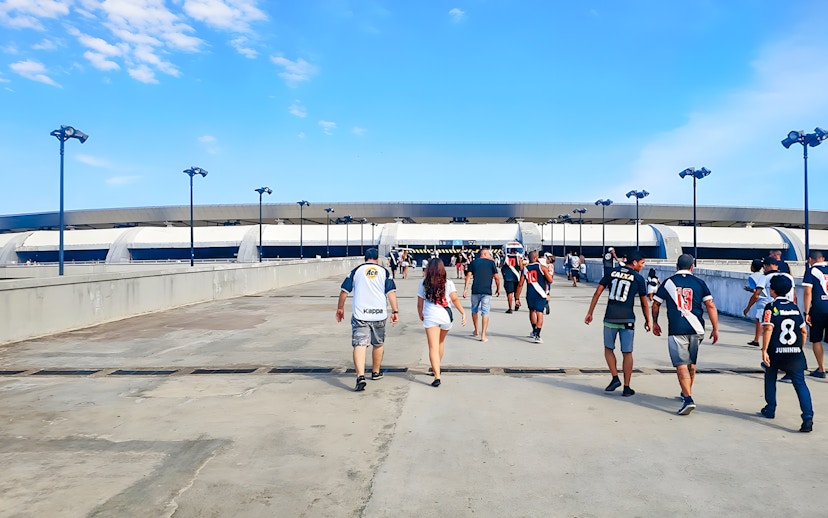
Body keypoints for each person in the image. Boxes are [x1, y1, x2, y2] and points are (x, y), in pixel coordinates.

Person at [652, 254, 720, 415]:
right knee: (691, 363)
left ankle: (688, 399)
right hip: (697, 329)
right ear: (692, 267)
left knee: (681, 365)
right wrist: (715, 328)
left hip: (677, 328)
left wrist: (655, 322)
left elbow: (655, 304)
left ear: (676, 266)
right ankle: (686, 391)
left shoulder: (668, 282)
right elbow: (710, 305)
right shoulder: (699, 283)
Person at [585, 251, 651, 396]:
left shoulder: (611, 272)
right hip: (628, 318)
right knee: (627, 353)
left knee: (609, 349)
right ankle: (627, 387)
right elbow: (644, 303)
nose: (643, 266)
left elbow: (597, 292)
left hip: (610, 318)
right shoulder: (638, 278)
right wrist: (648, 320)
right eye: (642, 263)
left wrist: (590, 312)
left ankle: (615, 377)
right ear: (634, 263)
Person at [336, 248, 400, 392]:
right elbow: (391, 293)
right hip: (379, 314)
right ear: (377, 258)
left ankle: (360, 376)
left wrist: (340, 308)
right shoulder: (384, 272)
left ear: (365, 258)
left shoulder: (356, 271)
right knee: (378, 343)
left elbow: (344, 292)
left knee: (360, 344)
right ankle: (376, 372)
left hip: (361, 315)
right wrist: (395, 311)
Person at [759, 274, 813, 432]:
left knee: (770, 377)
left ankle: (770, 408)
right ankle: (807, 417)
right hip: (794, 352)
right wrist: (799, 348)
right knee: (800, 384)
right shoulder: (795, 307)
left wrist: (764, 350)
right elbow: (803, 332)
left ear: (772, 290)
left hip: (776, 350)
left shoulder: (771, 307)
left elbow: (768, 328)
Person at [417, 258, 466, 387]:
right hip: (446, 316)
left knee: (433, 346)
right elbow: (454, 299)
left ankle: (437, 375)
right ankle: (437, 367)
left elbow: (419, 303)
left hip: (431, 316)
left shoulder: (423, 283)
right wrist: (463, 313)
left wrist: (421, 314)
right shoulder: (448, 282)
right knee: (440, 342)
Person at [515, 250, 554, 343]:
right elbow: (550, 280)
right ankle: (538, 335)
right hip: (541, 294)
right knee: (539, 312)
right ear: (536, 258)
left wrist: (517, 297)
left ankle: (534, 330)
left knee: (532, 311)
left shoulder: (525, 268)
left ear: (529, 258)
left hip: (530, 294)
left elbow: (520, 284)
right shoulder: (542, 267)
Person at [463, 248, 501, 342]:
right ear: (484, 254)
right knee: (485, 312)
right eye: (489, 254)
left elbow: (468, 275)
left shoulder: (474, 263)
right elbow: (496, 277)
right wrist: (498, 288)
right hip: (487, 291)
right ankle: (483, 335)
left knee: (474, 310)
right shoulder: (491, 263)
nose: (490, 256)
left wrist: (465, 289)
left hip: (475, 290)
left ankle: (476, 330)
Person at [802, 250, 828, 378]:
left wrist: (806, 312)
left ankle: (821, 369)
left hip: (818, 308)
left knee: (817, 339)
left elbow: (808, 292)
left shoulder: (811, 271)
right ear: (822, 258)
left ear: (810, 260)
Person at [743, 258, 765, 346]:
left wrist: (747, 308)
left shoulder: (752, 277)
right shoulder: (764, 275)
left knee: (759, 320)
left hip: (762, 302)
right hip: (771, 300)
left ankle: (756, 340)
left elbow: (756, 293)